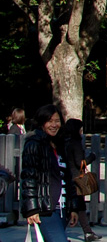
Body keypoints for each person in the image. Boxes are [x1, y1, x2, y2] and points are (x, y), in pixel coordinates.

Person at [20, 104, 78, 242]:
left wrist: (74, 207)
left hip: (63, 208)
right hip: (45, 209)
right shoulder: (34, 143)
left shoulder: (61, 144)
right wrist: (32, 210)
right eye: (49, 121)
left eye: (57, 121)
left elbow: (68, 178)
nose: (54, 125)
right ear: (41, 123)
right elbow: (28, 178)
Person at [63, 119, 102, 242]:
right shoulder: (76, 143)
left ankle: (88, 232)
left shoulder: (64, 141)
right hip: (77, 178)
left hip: (67, 176)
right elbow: (80, 163)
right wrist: (92, 157)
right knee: (75, 206)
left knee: (78, 207)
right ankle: (59, 233)